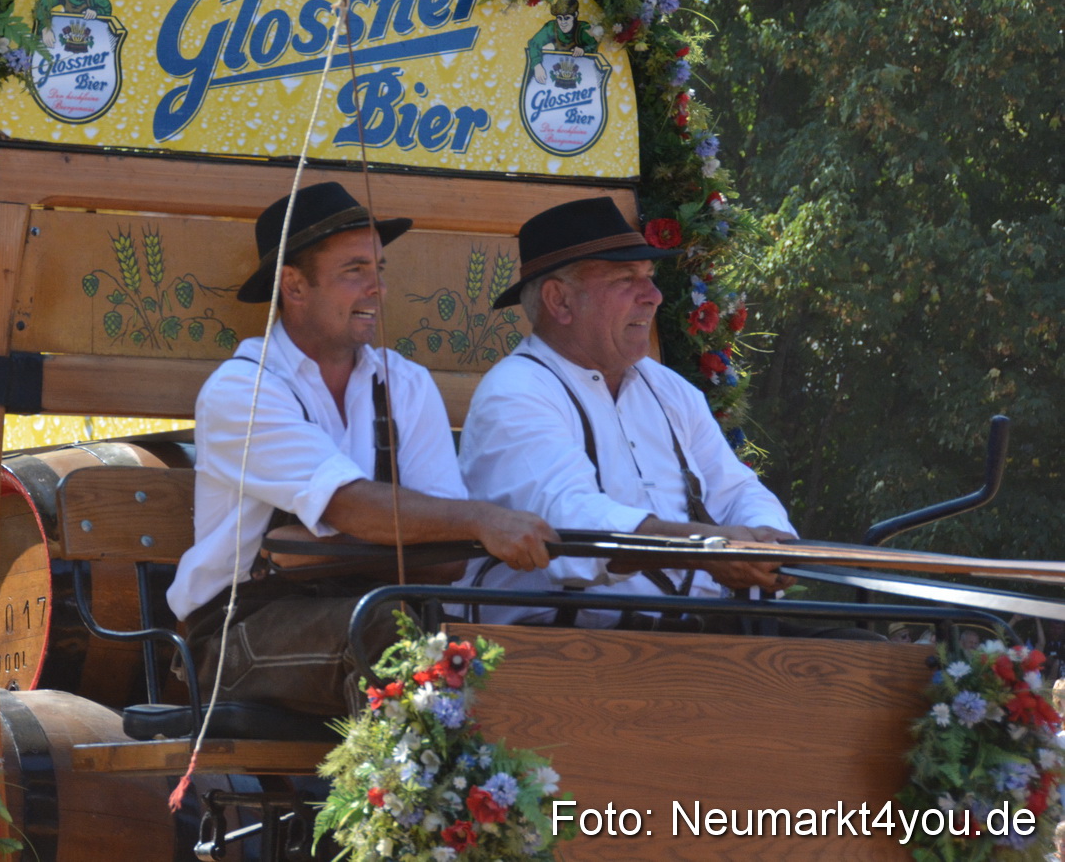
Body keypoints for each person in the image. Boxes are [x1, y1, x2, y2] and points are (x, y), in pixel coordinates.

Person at [166, 182, 558, 715]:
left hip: (373, 611)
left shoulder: (407, 383)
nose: (377, 288)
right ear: (293, 286)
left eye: (380, 269)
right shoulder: (243, 390)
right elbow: (349, 503)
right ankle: (400, 799)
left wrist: (310, 545)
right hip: (238, 632)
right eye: (355, 270)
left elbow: (444, 564)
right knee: (384, 629)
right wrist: (475, 521)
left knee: (492, 646)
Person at [457, 196, 799, 629]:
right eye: (625, 278)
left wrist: (768, 540)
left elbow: (737, 493)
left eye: (650, 277)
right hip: (564, 648)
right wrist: (707, 546)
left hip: (696, 636)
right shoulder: (516, 393)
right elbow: (569, 524)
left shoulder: (669, 389)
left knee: (864, 658)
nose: (653, 296)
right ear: (559, 300)